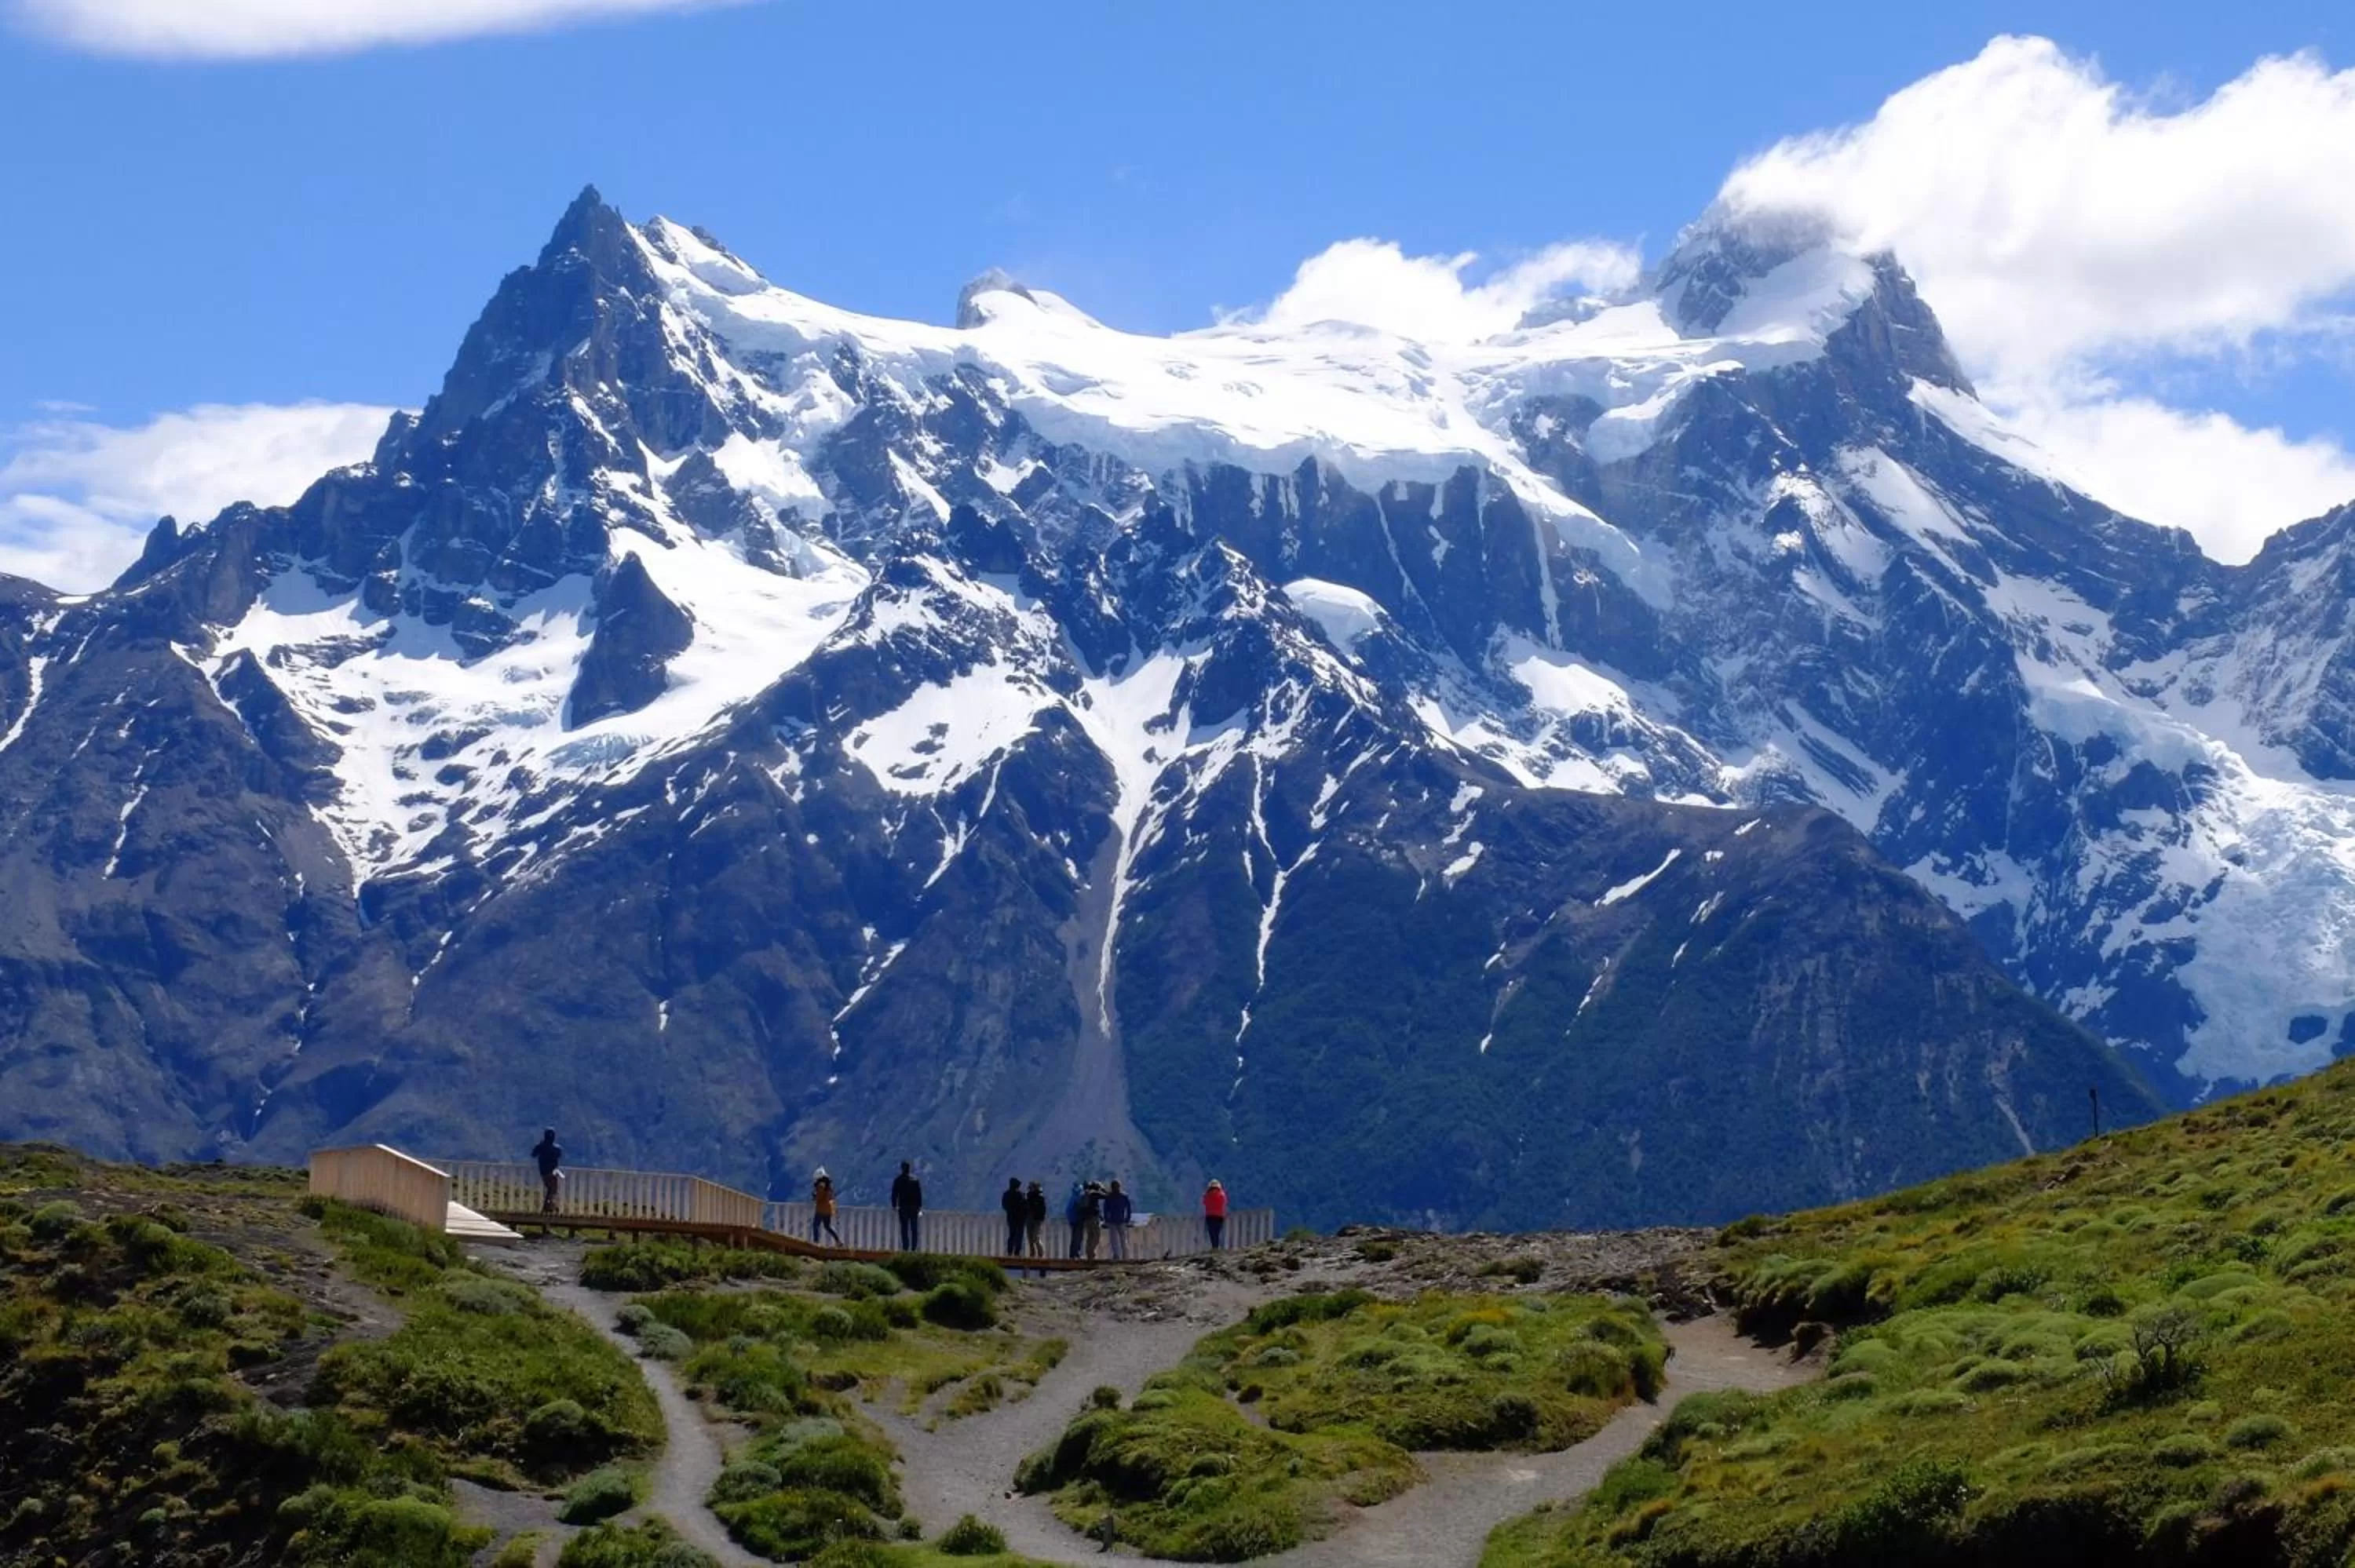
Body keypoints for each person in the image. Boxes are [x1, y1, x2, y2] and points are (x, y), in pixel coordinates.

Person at [890, 1160, 923, 1252]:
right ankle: (914, 1248)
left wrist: (894, 1205)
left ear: (902, 1169)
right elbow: (919, 1195)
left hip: (903, 1207)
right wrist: (919, 1207)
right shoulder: (915, 1180)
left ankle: (905, 1248)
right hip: (914, 1208)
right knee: (914, 1229)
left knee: (904, 1229)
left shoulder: (898, 1180)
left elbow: (894, 1194)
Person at [531, 1128, 563, 1213]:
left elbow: (533, 1154)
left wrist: (540, 1145)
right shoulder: (556, 1148)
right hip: (553, 1172)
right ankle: (549, 1207)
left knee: (551, 1190)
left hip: (544, 1172)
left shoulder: (541, 1147)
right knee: (552, 1190)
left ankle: (549, 1207)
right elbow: (559, 1155)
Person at [810, 1168, 842, 1245]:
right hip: (828, 1209)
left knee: (816, 1225)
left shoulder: (821, 1185)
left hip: (821, 1209)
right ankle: (838, 1241)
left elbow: (819, 1197)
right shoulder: (828, 1186)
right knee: (828, 1226)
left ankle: (816, 1242)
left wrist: (815, 1197)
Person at [1104, 1179, 1134, 1260]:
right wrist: (1127, 1219)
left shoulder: (1109, 1197)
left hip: (1113, 1221)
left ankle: (1117, 1255)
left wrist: (1106, 1220)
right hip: (1121, 1220)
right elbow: (1128, 1209)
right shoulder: (1124, 1197)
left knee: (1114, 1240)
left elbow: (1106, 1210)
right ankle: (1125, 1256)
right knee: (1123, 1240)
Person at [1001, 1177, 1027, 1256]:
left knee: (1012, 1235)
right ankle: (1017, 1252)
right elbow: (1025, 1206)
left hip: (1011, 1217)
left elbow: (1004, 1205)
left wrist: (1011, 1211)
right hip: (1020, 1218)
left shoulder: (1006, 1194)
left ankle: (1010, 1251)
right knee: (1019, 1235)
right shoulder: (1020, 1195)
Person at [1081, 1180, 1105, 1260]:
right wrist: (1103, 1189)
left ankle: (1089, 1254)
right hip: (1094, 1218)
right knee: (1097, 1236)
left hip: (1086, 1218)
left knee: (1090, 1236)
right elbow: (1107, 1196)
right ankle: (1091, 1252)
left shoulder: (1085, 1194)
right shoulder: (1095, 1193)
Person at [1203, 1178, 1228, 1250]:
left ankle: (1214, 1247)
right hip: (1220, 1216)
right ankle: (1217, 1247)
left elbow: (1204, 1202)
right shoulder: (1222, 1194)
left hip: (1210, 1216)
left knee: (1212, 1233)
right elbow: (1224, 1202)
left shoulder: (1207, 1195)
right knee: (1218, 1232)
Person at [1024, 1180, 1047, 1260]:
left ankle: (1041, 1253)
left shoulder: (1040, 1197)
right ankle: (1032, 1253)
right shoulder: (1029, 1197)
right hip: (1029, 1218)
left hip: (1037, 1220)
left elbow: (1043, 1210)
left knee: (1036, 1237)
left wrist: (1040, 1218)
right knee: (1030, 1238)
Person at [1064, 1180, 1086, 1260]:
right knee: (1078, 1237)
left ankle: (1073, 1254)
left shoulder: (1072, 1197)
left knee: (1075, 1237)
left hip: (1072, 1220)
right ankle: (1076, 1253)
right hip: (1077, 1220)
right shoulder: (1079, 1197)